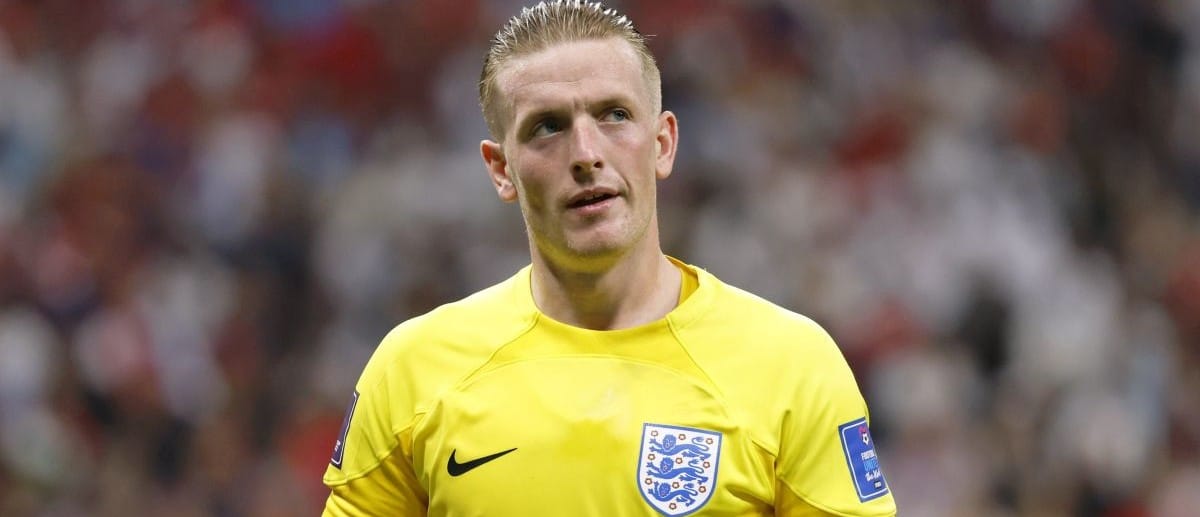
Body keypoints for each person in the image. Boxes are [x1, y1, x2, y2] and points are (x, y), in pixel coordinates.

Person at [321, 1, 897, 515]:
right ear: (502, 170)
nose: (586, 153)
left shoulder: (792, 366)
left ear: (663, 143)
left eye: (614, 115)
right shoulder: (413, 369)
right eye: (547, 127)